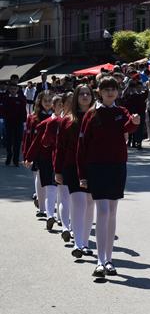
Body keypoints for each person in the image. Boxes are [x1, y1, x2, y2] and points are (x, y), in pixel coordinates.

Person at [76, 76, 141, 278]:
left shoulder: (121, 112)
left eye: (113, 89)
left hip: (117, 166)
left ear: (118, 91)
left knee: (112, 211)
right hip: (96, 167)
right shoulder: (92, 114)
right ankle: (100, 261)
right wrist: (82, 174)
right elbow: (82, 146)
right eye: (106, 89)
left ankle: (109, 260)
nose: (110, 92)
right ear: (99, 92)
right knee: (102, 211)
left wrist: (135, 122)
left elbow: (128, 126)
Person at [55, 85, 95, 258]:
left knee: (90, 204)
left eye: (88, 93)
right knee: (79, 203)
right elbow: (59, 148)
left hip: (94, 167)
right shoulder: (67, 121)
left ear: (92, 97)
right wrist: (57, 170)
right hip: (71, 167)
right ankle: (78, 244)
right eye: (81, 94)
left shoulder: (97, 117)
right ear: (76, 98)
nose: (85, 96)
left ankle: (85, 243)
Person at [24, 92, 59, 230]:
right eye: (45, 100)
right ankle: (42, 207)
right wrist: (27, 154)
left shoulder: (58, 117)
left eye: (50, 100)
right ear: (40, 102)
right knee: (39, 176)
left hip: (54, 152)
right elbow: (29, 137)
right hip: (39, 152)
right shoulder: (33, 118)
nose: (48, 103)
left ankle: (51, 208)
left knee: (52, 181)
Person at [3, 83, 26, 166]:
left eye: (15, 89)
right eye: (12, 89)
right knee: (8, 141)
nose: (13, 90)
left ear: (17, 90)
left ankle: (16, 159)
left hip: (18, 123)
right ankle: (9, 156)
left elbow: (23, 111)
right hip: (8, 123)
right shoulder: (5, 98)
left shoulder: (21, 99)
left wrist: (24, 121)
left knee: (17, 142)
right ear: (9, 89)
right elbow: (3, 110)